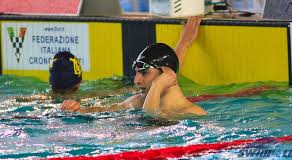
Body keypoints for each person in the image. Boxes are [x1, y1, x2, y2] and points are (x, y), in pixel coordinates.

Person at [61, 16, 208, 120]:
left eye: (144, 73)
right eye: (136, 73)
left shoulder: (194, 114)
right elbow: (103, 110)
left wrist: (157, 86)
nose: (137, 80)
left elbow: (150, 120)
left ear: (166, 73)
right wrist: (77, 111)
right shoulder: (137, 101)